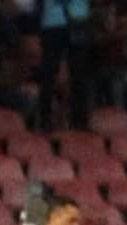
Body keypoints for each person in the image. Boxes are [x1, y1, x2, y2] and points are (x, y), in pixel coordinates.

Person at [37, 0, 91, 130]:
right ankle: (45, 119)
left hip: (78, 20)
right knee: (49, 73)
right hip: (54, 22)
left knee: (79, 74)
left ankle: (78, 120)